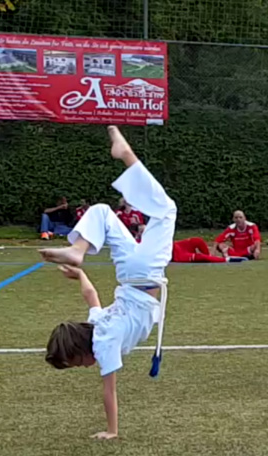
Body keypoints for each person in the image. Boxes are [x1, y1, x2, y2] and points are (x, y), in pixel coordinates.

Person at [40, 125, 178, 439]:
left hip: (143, 274)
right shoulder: (98, 324)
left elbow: (109, 391)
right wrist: (80, 275)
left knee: (167, 210)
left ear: (81, 349)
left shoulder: (104, 345)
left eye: (77, 363)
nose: (83, 367)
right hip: (129, 274)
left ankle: (126, 155)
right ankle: (78, 249)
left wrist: (112, 431)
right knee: (102, 211)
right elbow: (91, 296)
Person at [172, 237, 245, 263]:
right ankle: (227, 259)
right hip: (176, 255)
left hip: (175, 245)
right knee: (200, 256)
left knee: (197, 240)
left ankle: (210, 257)